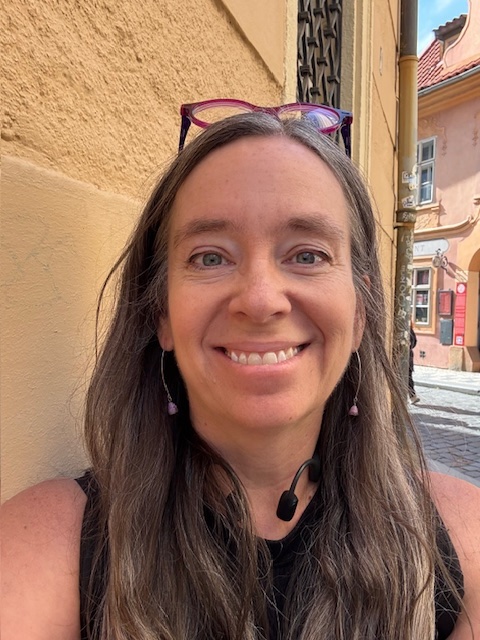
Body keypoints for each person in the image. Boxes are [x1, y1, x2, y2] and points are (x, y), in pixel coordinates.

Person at [2, 109, 480, 640]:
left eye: (307, 254)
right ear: (161, 313)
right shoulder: (48, 547)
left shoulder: (464, 540)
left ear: (360, 312)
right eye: (210, 258)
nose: (259, 299)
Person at [409, 321, 420, 404]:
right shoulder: (409, 329)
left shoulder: (408, 329)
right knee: (408, 378)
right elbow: (414, 341)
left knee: (408, 378)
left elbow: (414, 341)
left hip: (407, 357)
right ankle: (412, 396)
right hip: (408, 356)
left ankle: (412, 396)